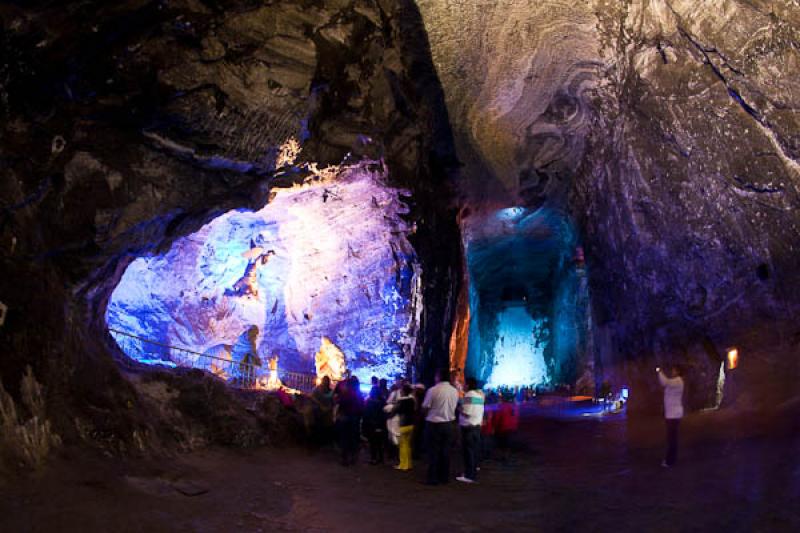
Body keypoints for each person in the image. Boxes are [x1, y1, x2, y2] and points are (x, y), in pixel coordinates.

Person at [421, 369, 459, 485]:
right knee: (446, 451)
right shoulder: (454, 391)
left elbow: (425, 407)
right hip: (449, 424)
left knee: (433, 451)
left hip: (434, 423)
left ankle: (433, 478)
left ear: (439, 377)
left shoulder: (433, 390)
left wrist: (425, 415)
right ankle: (444, 477)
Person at [457, 377, 485, 484]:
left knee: (468, 452)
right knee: (473, 451)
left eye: (464, 384)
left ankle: (469, 476)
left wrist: (458, 408)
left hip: (468, 428)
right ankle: (472, 472)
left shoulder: (469, 396)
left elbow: (467, 412)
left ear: (468, 385)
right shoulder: (479, 396)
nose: (463, 386)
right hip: (476, 426)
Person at [657, 365, 685, 467]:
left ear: (678, 371)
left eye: (674, 369)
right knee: (672, 438)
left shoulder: (677, 381)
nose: (672, 371)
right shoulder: (676, 381)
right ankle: (671, 459)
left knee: (672, 439)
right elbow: (664, 383)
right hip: (672, 414)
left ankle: (670, 461)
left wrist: (659, 371)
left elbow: (665, 382)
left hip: (673, 415)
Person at [334, 375, 363, 466]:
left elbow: (338, 400)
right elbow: (361, 406)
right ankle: (352, 457)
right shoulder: (357, 394)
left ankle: (344, 458)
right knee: (353, 438)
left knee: (344, 438)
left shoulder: (344, 393)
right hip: (354, 418)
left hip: (345, 417)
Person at [392, 383, 416, 471]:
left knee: (402, 446)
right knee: (408, 445)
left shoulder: (401, 401)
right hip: (411, 424)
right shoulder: (412, 400)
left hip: (403, 425)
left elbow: (395, 410)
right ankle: (409, 464)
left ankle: (403, 465)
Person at [362, 387, 386, 465]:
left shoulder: (369, 402)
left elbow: (366, 414)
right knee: (379, 442)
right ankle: (381, 458)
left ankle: (374, 458)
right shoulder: (383, 402)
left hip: (372, 425)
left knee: (373, 442)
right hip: (380, 424)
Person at [493, 392, 519, 464]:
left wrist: (495, 427)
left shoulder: (501, 406)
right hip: (512, 427)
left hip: (503, 427)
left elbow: (497, 418)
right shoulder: (514, 406)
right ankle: (507, 456)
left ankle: (504, 456)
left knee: (503, 442)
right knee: (508, 443)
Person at [311, 376, 334, 446]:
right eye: (325, 381)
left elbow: (332, 401)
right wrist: (320, 405)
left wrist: (329, 407)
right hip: (318, 409)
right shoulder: (317, 389)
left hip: (327, 410)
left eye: (327, 381)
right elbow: (313, 397)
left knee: (327, 425)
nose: (326, 382)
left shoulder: (330, 391)